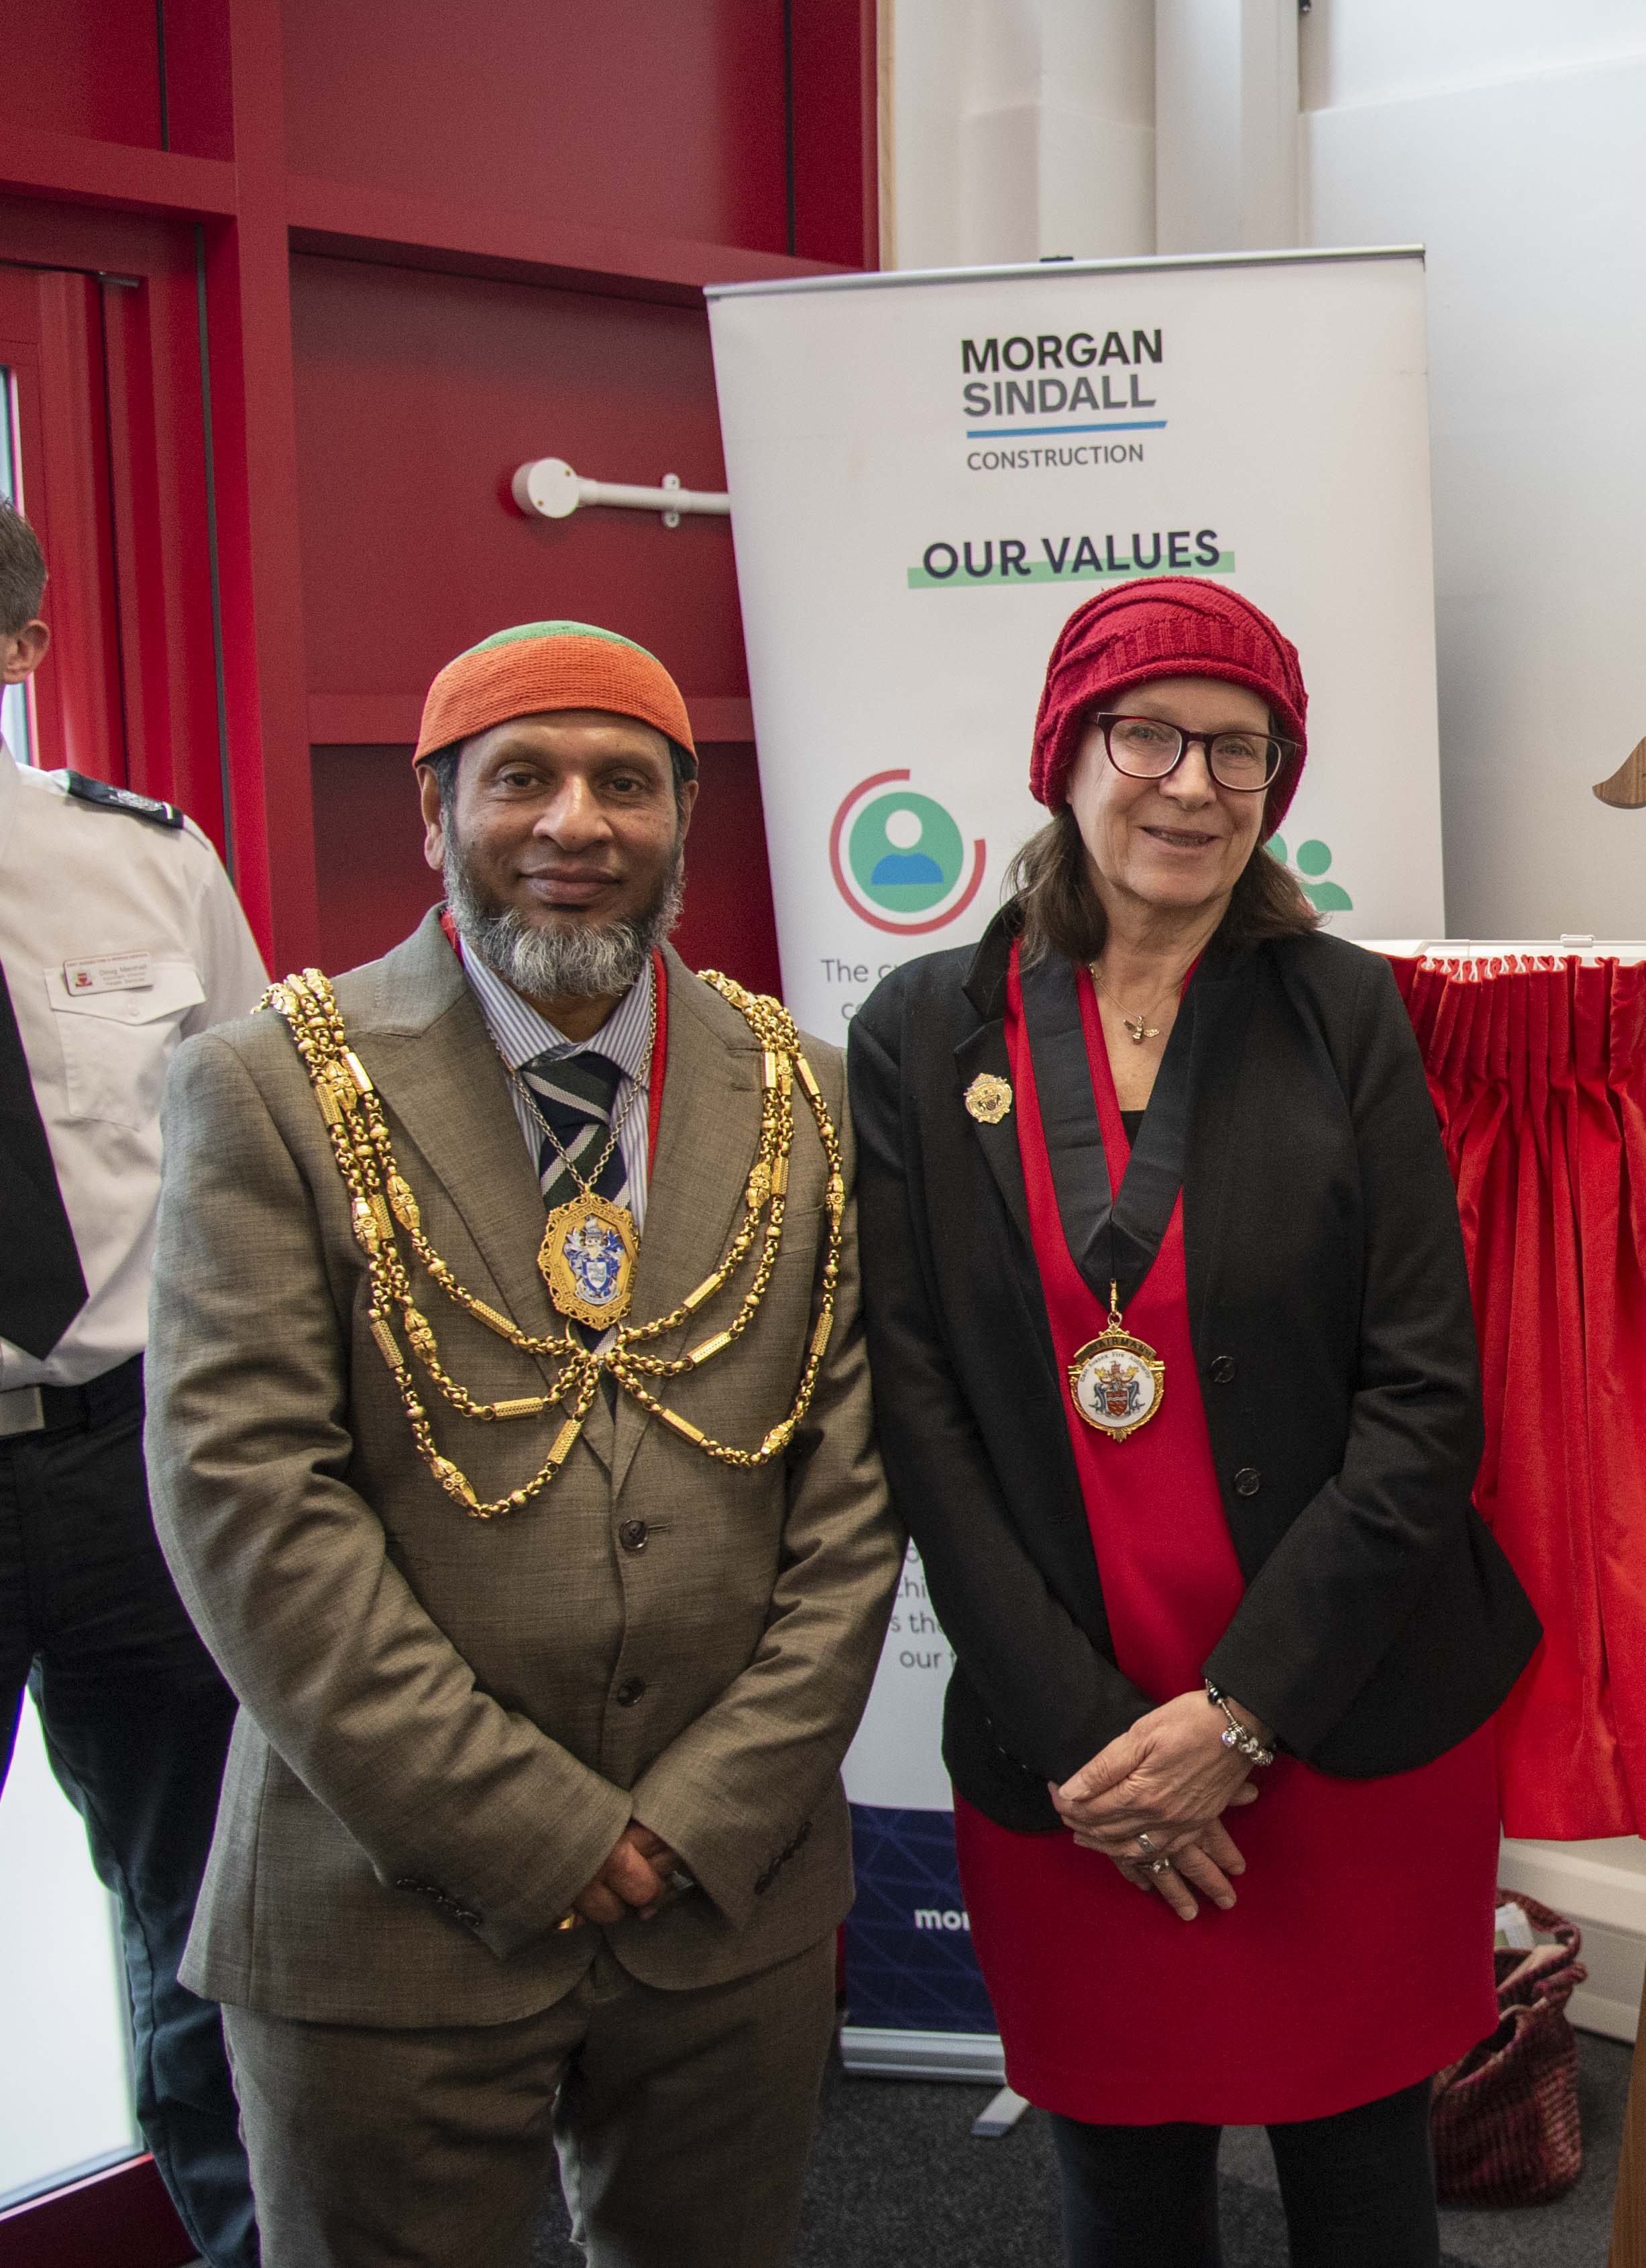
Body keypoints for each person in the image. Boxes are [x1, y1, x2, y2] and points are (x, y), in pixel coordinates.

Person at [144, 621, 899, 2268]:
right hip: (385, 1914)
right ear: (434, 815)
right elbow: (251, 1513)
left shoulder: (817, 1099)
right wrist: (549, 1833)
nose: (576, 823)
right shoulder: (267, 1093)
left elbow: (854, 1503)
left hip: (732, 1901)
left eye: (626, 782)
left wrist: (695, 1816)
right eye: (523, 780)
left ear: (681, 826)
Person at [851, 576, 1538, 2268]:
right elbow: (917, 1408)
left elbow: (1424, 1395)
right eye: (1145, 733)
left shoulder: (1342, 1012)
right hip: (1069, 1741)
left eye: (1241, 750)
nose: (1192, 784)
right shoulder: (918, 1034)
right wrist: (1104, 1746)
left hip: (1340, 1706)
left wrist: (1238, 1722)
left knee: (1365, 2192)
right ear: (1064, 756)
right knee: (1125, 2196)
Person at [0, 500, 264, 2265]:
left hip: (126, 1464)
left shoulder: (143, 860)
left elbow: (255, 1162)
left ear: (19, 651)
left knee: (210, 1927)